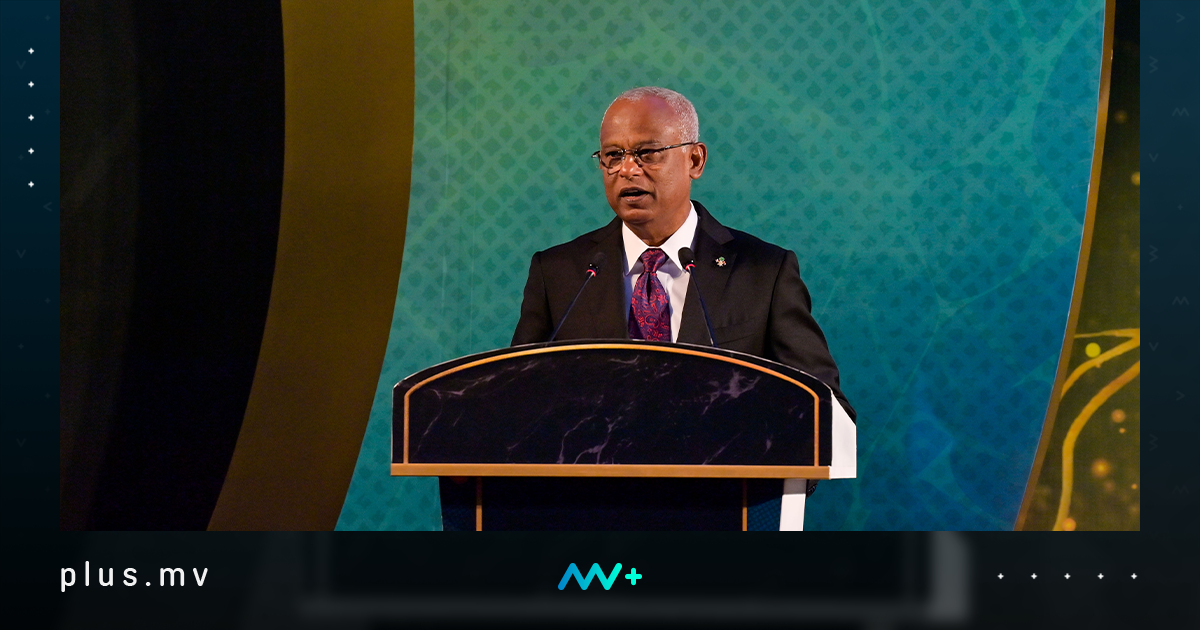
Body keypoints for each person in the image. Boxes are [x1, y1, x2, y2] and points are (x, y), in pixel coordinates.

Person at [512, 86, 853, 419]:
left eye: (647, 153)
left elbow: (825, 407)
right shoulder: (558, 274)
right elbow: (515, 397)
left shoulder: (764, 273)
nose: (627, 169)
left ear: (694, 160)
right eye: (613, 155)